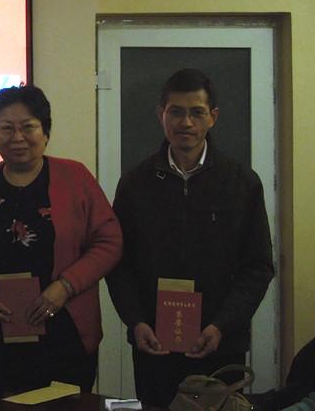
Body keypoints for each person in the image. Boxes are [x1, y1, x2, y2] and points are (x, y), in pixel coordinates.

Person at [105, 68, 274, 408]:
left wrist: (222, 325)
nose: (186, 122)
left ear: (213, 117)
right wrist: (135, 321)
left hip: (219, 343)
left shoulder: (241, 182)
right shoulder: (135, 183)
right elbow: (118, 263)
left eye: (196, 112)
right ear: (161, 115)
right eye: (176, 112)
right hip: (154, 343)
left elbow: (258, 267)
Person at [0, 85, 122, 393]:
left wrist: (65, 286)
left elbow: (109, 241)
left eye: (28, 127)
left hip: (65, 328)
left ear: (45, 132)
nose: (18, 137)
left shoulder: (75, 177)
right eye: (6, 128)